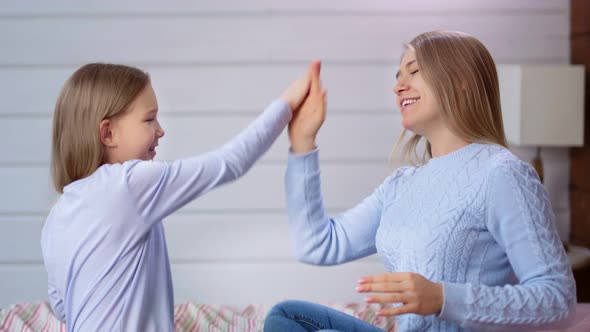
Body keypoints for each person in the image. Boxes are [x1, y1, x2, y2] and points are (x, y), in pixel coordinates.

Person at [264, 30, 576, 331]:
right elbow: (317, 246)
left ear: (459, 80)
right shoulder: (401, 184)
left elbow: (557, 299)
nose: (398, 86)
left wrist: (442, 297)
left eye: (413, 71)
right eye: (397, 76)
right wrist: (303, 142)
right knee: (286, 316)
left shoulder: (502, 173)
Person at [41, 61, 320, 331]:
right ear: (108, 133)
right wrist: (287, 105)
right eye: (149, 119)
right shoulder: (128, 184)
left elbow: (62, 308)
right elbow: (231, 162)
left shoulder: (55, 217)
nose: (160, 130)